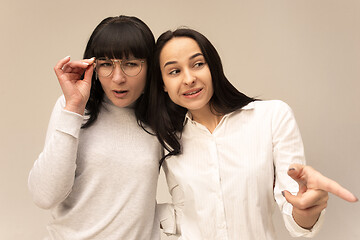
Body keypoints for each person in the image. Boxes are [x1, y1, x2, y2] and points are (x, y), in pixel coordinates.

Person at [147, 28, 358, 239]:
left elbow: (296, 221)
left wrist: (307, 208)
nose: (189, 78)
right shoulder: (165, 137)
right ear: (163, 85)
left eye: (198, 64)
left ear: (214, 67)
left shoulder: (272, 116)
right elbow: (181, 210)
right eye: (174, 71)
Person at [28, 15, 162, 240]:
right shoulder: (72, 108)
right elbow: (44, 196)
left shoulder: (161, 118)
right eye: (107, 65)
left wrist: (158, 220)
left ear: (150, 66)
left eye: (131, 64)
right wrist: (73, 108)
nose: (118, 78)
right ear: (94, 68)